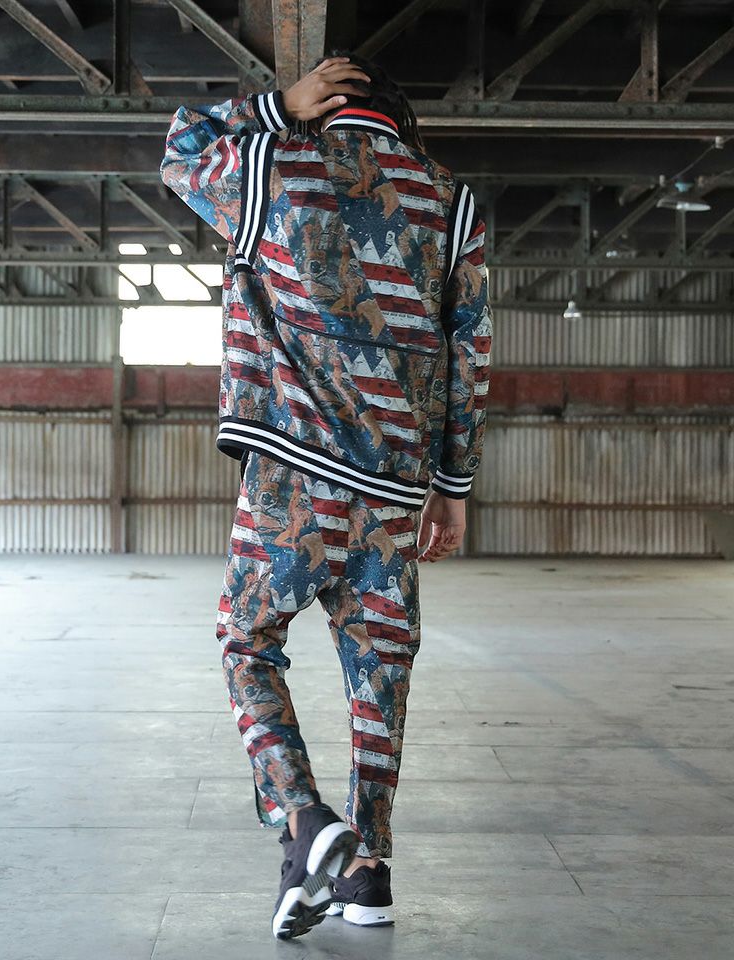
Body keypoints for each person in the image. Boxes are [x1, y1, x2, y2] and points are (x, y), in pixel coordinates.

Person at [160, 53, 492, 940]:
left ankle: (305, 822)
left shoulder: (272, 166)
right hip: (394, 489)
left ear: (324, 106)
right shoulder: (452, 201)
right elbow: (470, 351)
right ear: (400, 118)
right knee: (380, 678)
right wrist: (453, 489)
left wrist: (274, 107)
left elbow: (179, 148)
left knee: (247, 640)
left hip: (294, 473)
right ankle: (367, 871)